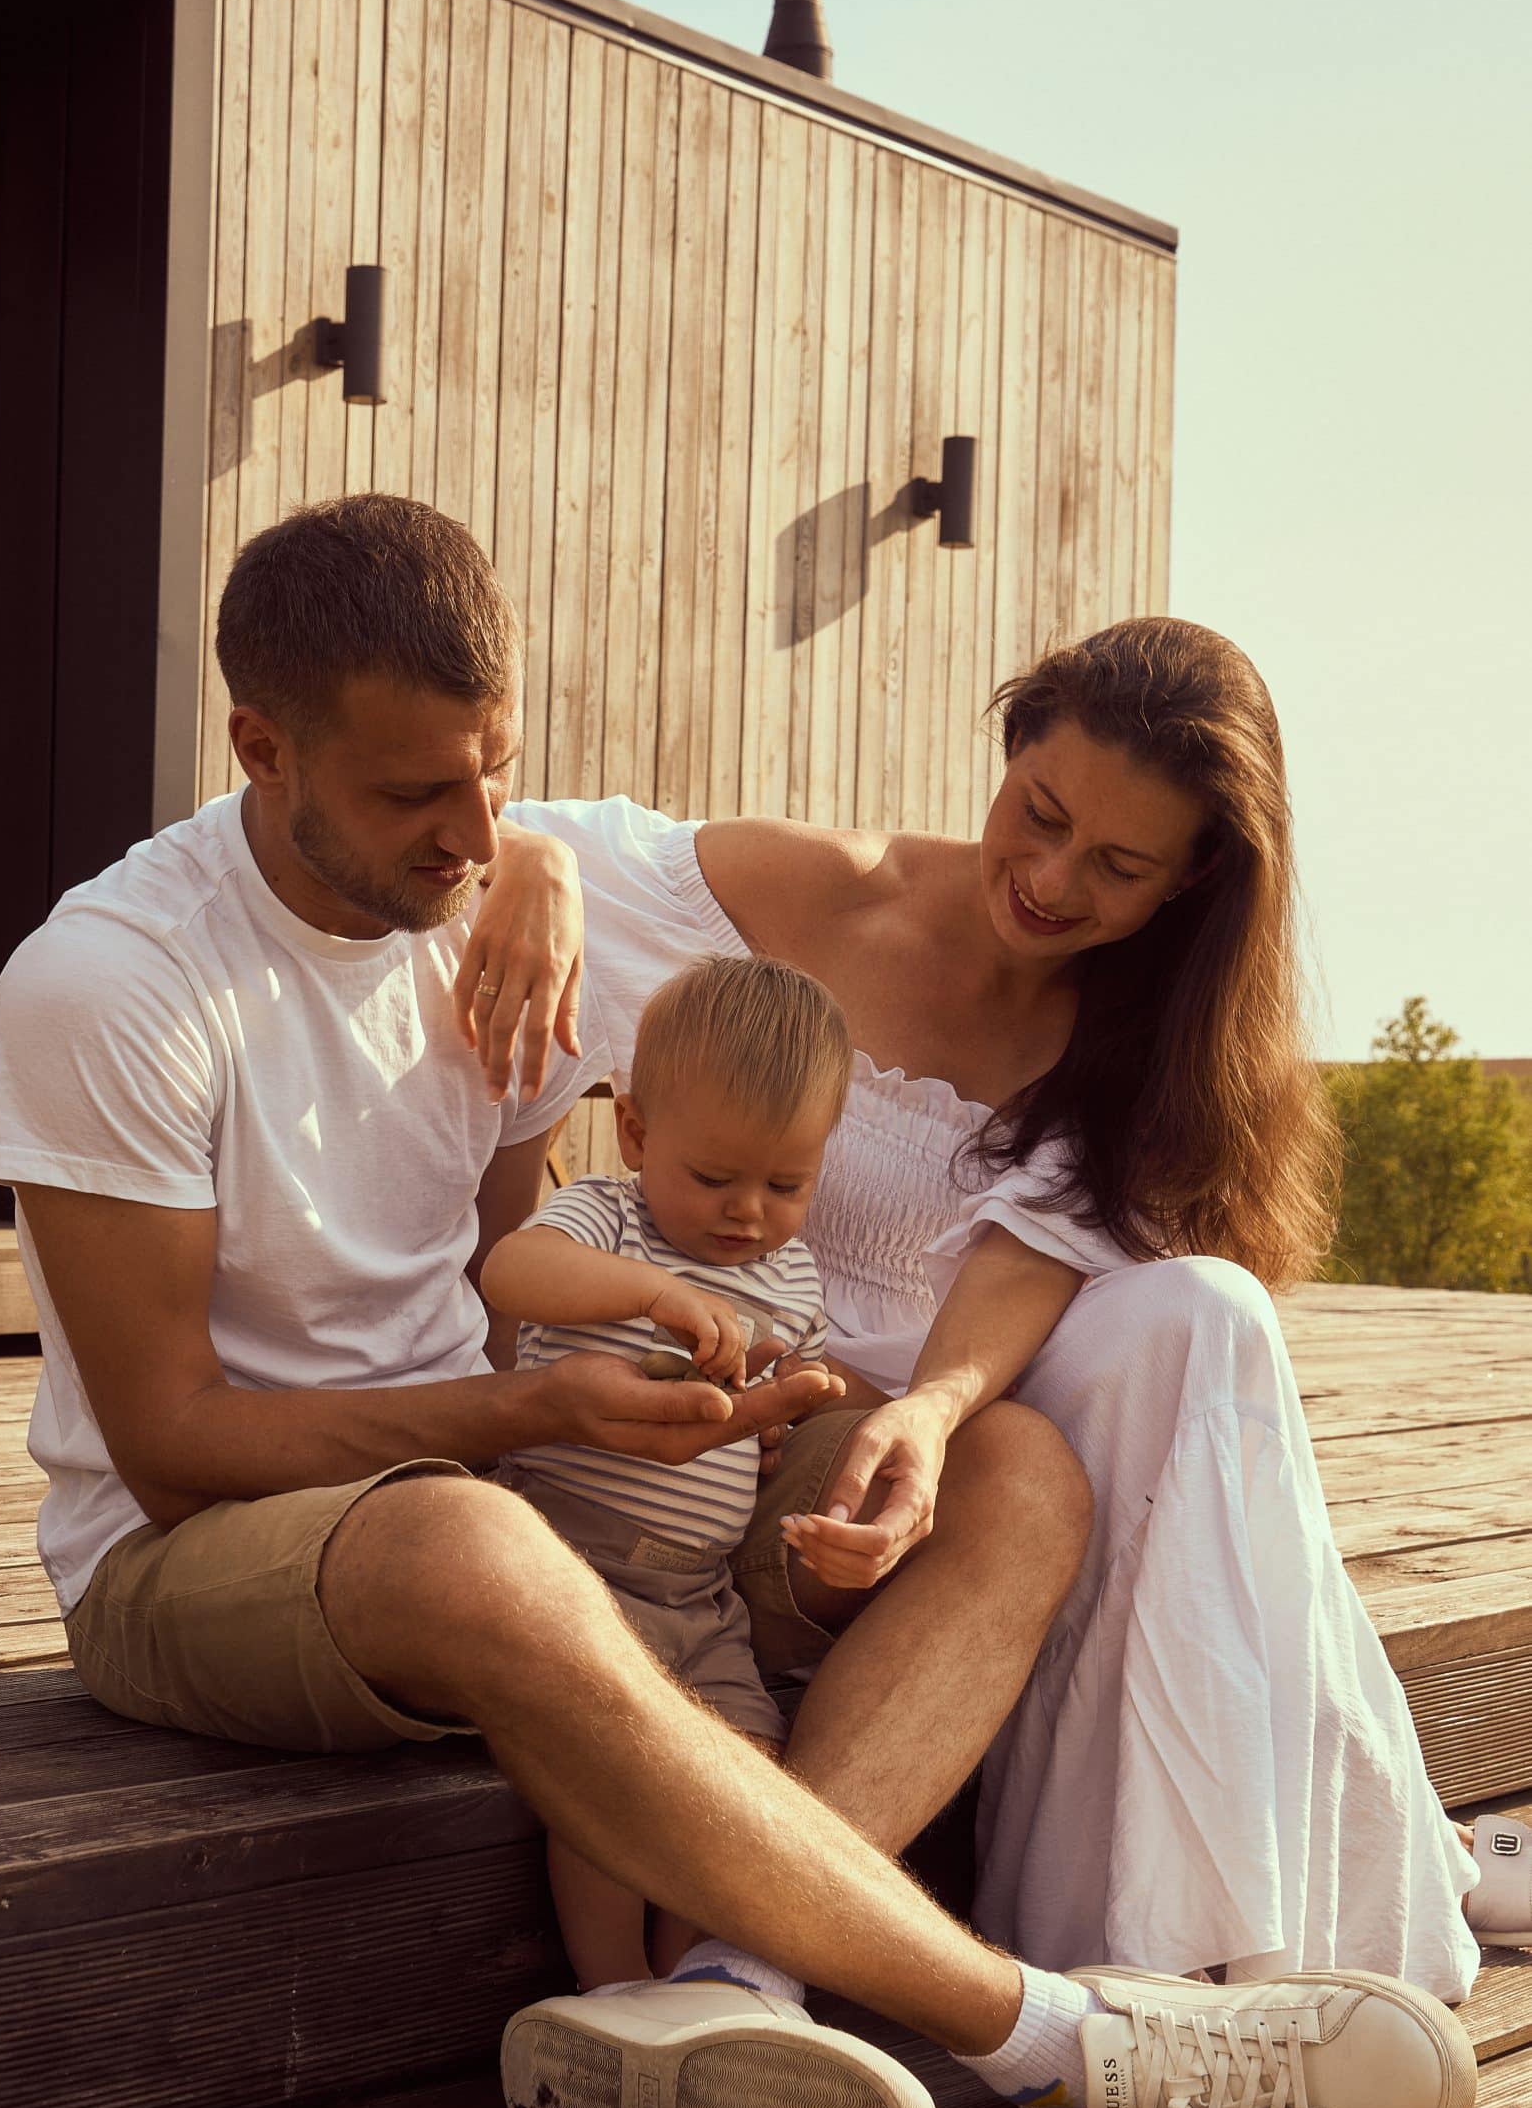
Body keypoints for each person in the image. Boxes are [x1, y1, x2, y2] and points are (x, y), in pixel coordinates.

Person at [0, 497, 1475, 2108]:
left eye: (498, 782)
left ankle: (725, 1984)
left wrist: (724, 1402)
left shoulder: (489, 927)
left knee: (1012, 1472)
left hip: (504, 1489)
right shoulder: (113, 981)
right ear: (258, 745)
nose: (474, 835)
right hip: (212, 1553)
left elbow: (490, 1255)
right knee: (472, 1544)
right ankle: (1047, 2030)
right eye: (419, 799)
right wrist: (533, 1408)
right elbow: (170, 1446)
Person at [484, 614, 1488, 2026]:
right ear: (1011, 751)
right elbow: (456, 832)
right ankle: (1404, 1852)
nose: (1050, 877)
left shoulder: (1150, 1031)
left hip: (964, 1440)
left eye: (1116, 866)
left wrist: (933, 1410)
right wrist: (526, 857)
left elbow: (1033, 1256)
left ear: (1189, 879)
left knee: (1197, 1312)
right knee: (1152, 1389)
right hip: (766, 1439)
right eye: (1040, 813)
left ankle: (1150, 1942)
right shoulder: (816, 895)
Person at [484, 951, 852, 1993]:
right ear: (637, 1131)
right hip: (574, 1564)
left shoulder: (788, 1268)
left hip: (703, 1591)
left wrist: (794, 1410)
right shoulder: (610, 1216)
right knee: (610, 1775)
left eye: (787, 1184)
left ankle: (690, 1985)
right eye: (713, 1176)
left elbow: (787, 1383)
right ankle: (611, 1991)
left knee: (737, 1772)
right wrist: (652, 1294)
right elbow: (509, 1271)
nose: (748, 1212)